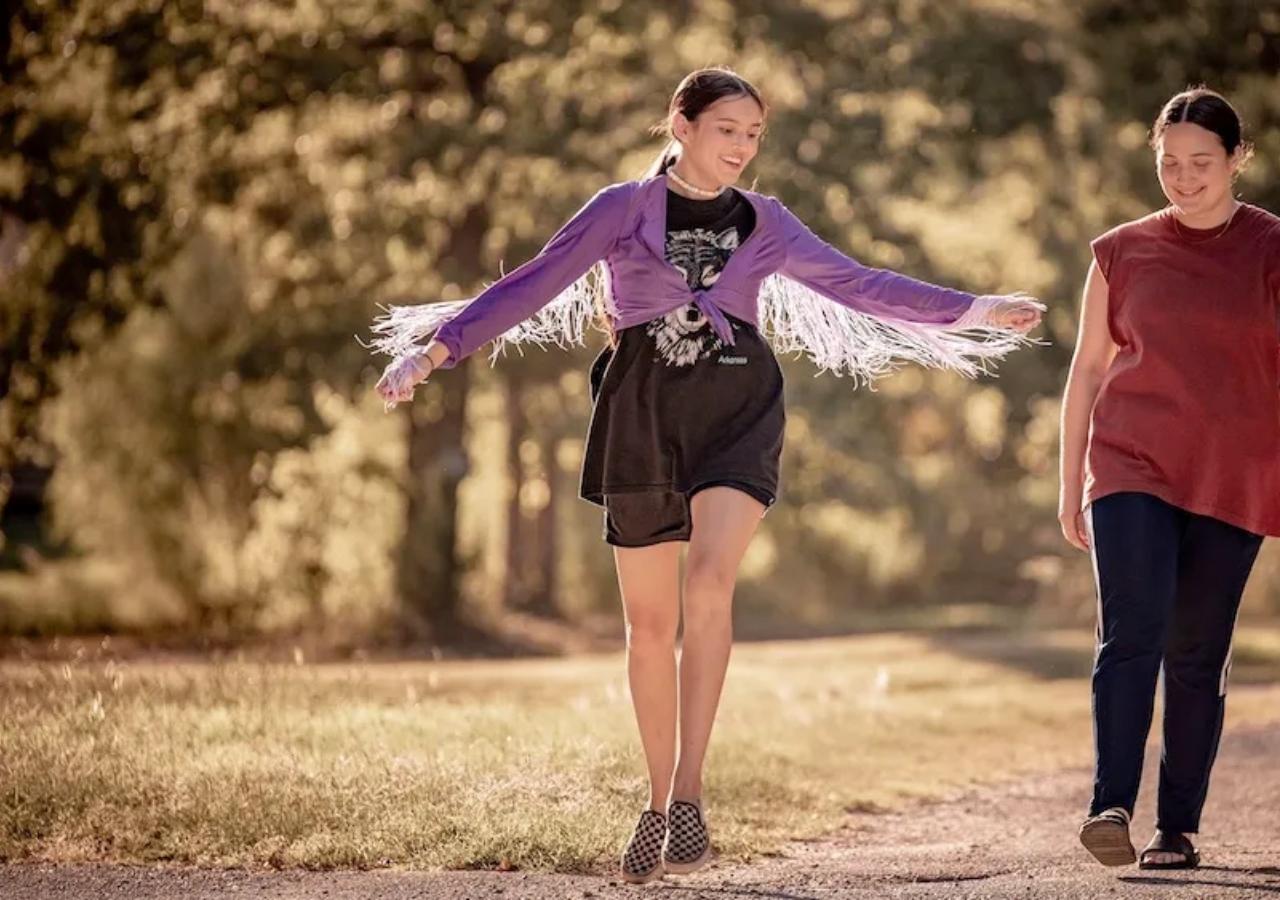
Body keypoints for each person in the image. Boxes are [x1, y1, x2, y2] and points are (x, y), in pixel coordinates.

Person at [370, 67, 1044, 884]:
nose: (742, 146)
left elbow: (859, 283)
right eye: (728, 128)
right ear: (680, 125)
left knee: (709, 587)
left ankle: (690, 789)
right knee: (649, 628)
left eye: (753, 134)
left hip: (737, 411)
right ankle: (656, 804)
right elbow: (531, 283)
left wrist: (972, 309)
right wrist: (434, 350)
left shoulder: (767, 220)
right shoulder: (621, 209)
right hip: (641, 417)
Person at [1058, 86, 1280, 871]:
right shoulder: (1117, 251)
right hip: (1128, 462)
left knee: (1195, 652)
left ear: (1236, 160)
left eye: (1200, 163)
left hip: (1233, 472)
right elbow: (1086, 370)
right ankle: (1109, 805)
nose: (1183, 178)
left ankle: (1176, 827)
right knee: (1130, 633)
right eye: (1168, 163)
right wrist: (1069, 481)